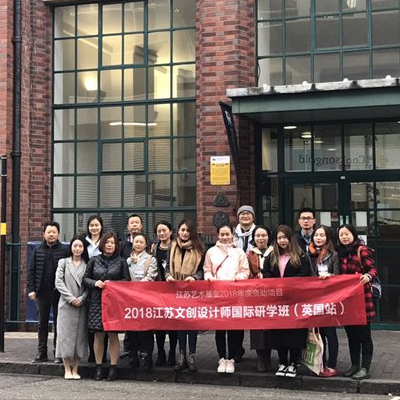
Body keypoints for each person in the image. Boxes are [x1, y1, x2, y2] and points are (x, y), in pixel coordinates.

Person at [263, 225, 312, 378]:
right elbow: (266, 273)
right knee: (279, 333)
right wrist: (277, 285)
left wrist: (287, 285)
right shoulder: (271, 256)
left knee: (295, 333)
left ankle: (293, 363)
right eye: (279, 238)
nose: (282, 241)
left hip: (295, 301)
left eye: (285, 237)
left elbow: (304, 275)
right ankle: (282, 362)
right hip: (277, 301)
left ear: (290, 238)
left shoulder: (301, 256)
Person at [83, 232, 130, 381]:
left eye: (112, 243)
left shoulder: (121, 261)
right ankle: (99, 367)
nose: (109, 245)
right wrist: (95, 283)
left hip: (114, 302)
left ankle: (113, 367)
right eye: (107, 242)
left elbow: (127, 280)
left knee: (113, 334)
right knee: (98, 334)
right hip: (97, 301)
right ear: (102, 244)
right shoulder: (94, 260)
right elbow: (85, 279)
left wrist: (114, 284)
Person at [204, 224, 250, 374]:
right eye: (222, 234)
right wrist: (209, 278)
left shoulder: (239, 252)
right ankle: (222, 357)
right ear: (218, 235)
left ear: (232, 235)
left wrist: (239, 277)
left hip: (235, 294)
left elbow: (245, 270)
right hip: (218, 294)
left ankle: (232, 358)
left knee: (234, 328)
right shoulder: (211, 252)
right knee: (220, 328)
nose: (225, 237)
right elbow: (207, 269)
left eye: (227, 234)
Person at [338, 224, 377, 380]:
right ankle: (354, 365)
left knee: (364, 335)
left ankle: (365, 368)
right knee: (351, 335)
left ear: (353, 235)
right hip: (347, 300)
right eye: (341, 235)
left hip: (362, 299)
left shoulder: (362, 250)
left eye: (346, 234)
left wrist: (368, 276)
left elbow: (372, 269)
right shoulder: (340, 253)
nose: (344, 237)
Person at [165, 219, 205, 372]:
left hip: (192, 291)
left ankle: (192, 356)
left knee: (191, 324)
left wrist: (195, 277)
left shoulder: (199, 248)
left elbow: (202, 269)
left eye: (188, 230)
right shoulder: (172, 246)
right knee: (180, 324)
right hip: (176, 291)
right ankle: (181, 355)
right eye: (182, 230)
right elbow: (167, 267)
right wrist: (168, 275)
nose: (184, 233)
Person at [27, 222, 69, 363]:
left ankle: (58, 352)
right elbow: (31, 271)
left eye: (54, 232)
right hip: (42, 292)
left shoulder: (64, 250)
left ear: (58, 234)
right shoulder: (37, 250)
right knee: (42, 323)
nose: (51, 235)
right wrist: (31, 289)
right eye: (48, 232)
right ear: (44, 234)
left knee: (59, 323)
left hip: (59, 292)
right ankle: (42, 352)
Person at [55, 236, 89, 380]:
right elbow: (58, 282)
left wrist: (82, 298)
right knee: (65, 336)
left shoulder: (87, 265)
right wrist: (71, 298)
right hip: (66, 304)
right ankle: (67, 369)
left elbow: (88, 285)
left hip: (81, 305)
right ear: (70, 247)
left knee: (80, 337)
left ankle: (75, 369)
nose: (77, 249)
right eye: (75, 246)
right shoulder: (63, 262)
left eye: (80, 246)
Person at [308, 225, 340, 377]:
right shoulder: (307, 254)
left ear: (327, 237)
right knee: (317, 333)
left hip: (328, 299)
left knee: (330, 333)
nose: (318, 238)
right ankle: (320, 363)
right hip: (312, 298)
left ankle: (332, 365)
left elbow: (338, 276)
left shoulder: (333, 254)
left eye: (322, 235)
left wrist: (330, 276)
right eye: (316, 235)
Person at [126, 233, 158, 372]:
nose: (138, 244)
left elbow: (151, 276)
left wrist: (137, 288)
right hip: (130, 299)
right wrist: (130, 261)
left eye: (141, 242)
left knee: (147, 330)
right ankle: (134, 356)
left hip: (145, 298)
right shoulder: (128, 260)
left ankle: (148, 358)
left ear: (145, 245)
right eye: (136, 241)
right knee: (132, 329)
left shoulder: (151, 259)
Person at [247, 225, 274, 372]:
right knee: (257, 328)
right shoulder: (249, 254)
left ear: (268, 237)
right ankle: (260, 358)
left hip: (272, 295)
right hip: (256, 295)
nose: (261, 238)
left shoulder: (275, 253)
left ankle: (268, 356)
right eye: (257, 236)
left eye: (263, 235)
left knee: (270, 327)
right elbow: (246, 273)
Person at [152, 221, 177, 367]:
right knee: (159, 323)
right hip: (157, 290)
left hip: (173, 290)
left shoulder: (176, 247)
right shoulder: (154, 248)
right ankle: (161, 352)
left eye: (164, 230)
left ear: (170, 231)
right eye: (159, 231)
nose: (162, 233)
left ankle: (172, 352)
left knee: (173, 323)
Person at [233, 205, 256, 361]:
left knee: (257, 315)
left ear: (253, 217)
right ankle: (237, 350)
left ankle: (261, 352)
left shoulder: (259, 232)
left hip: (254, 280)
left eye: (248, 213)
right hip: (236, 281)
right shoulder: (232, 234)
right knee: (236, 317)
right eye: (242, 214)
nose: (245, 216)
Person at [84, 215, 107, 364]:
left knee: (104, 324)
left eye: (97, 225)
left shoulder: (105, 242)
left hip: (104, 286)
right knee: (90, 322)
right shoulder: (83, 242)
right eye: (91, 225)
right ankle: (92, 353)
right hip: (89, 282)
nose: (94, 227)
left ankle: (102, 355)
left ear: (101, 226)